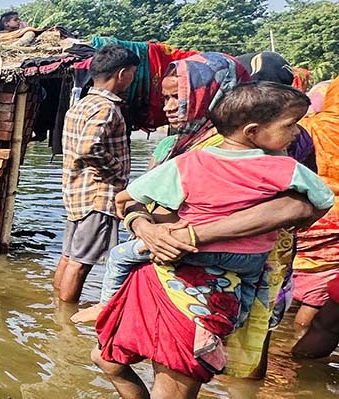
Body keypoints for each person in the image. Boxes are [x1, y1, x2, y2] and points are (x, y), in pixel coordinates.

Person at [92, 54, 329, 399]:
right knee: (108, 357)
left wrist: (187, 233)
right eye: (168, 97)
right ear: (253, 130)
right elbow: (320, 202)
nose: (169, 105)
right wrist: (148, 229)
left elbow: (302, 210)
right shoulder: (192, 150)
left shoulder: (212, 159)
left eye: (177, 96)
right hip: (172, 274)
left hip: (201, 283)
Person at [77, 84, 331, 332]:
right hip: (251, 257)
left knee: (121, 256)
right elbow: (324, 199)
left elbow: (128, 196)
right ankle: (227, 328)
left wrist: (133, 215)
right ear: (252, 131)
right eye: (290, 125)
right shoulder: (286, 166)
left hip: (192, 247)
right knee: (251, 292)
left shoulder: (191, 161)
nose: (297, 132)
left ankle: (104, 306)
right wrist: (306, 221)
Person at [53, 44, 140, 303]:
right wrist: (116, 173)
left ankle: (56, 307)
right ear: (122, 73)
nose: (133, 79)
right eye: (133, 73)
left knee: (69, 256)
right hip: (97, 196)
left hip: (77, 193)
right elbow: (88, 148)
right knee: (81, 263)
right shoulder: (106, 108)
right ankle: (65, 321)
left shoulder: (81, 105)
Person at [288, 81, 339, 329]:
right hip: (332, 224)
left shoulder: (298, 128)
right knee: (319, 290)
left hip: (300, 217)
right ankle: (297, 347)